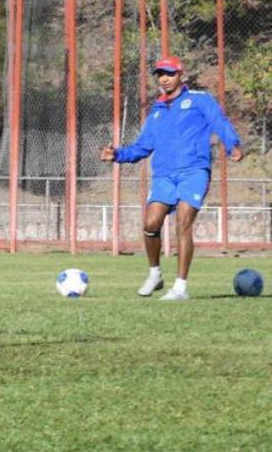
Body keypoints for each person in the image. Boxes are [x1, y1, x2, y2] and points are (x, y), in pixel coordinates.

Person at [101, 56, 242, 300]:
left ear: (180, 75)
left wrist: (233, 145)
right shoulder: (156, 111)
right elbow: (143, 147)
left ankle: (180, 287)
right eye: (160, 74)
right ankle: (155, 274)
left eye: (169, 73)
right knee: (150, 224)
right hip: (164, 175)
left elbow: (220, 122)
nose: (164, 79)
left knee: (183, 223)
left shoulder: (199, 100)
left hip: (194, 171)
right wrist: (118, 154)